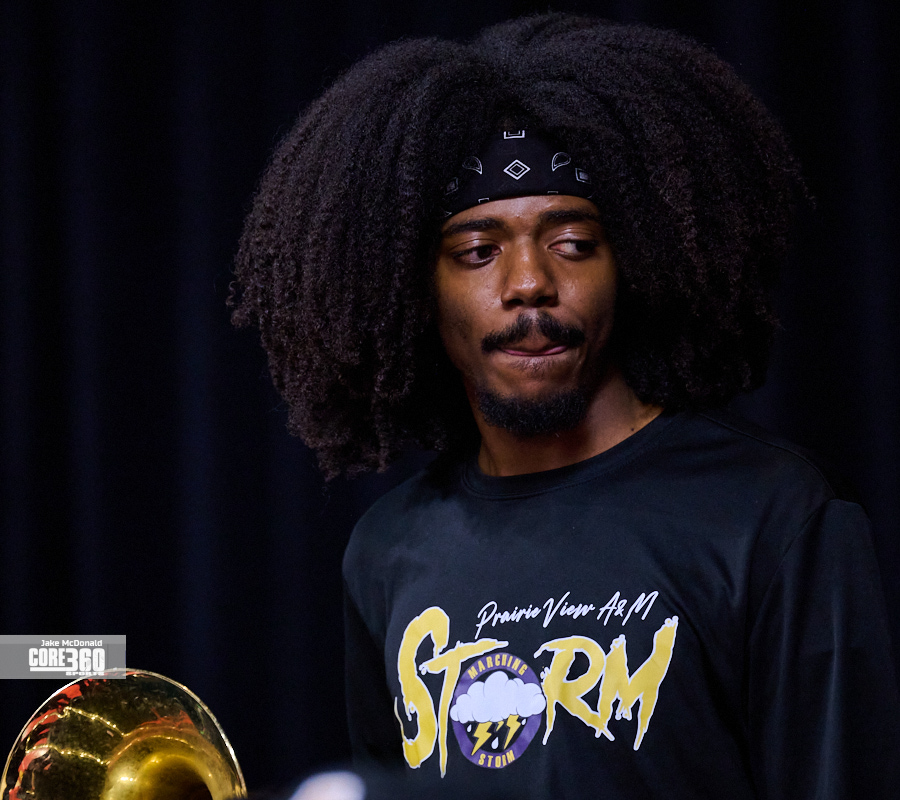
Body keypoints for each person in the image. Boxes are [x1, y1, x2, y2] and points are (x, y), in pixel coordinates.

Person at [230, 13, 900, 799]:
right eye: (477, 252)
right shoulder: (387, 549)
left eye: (573, 243)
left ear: (636, 262)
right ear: (415, 291)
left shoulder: (773, 517)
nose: (528, 284)